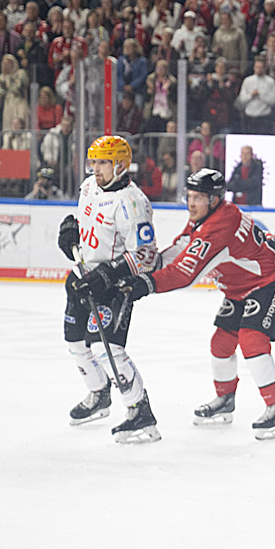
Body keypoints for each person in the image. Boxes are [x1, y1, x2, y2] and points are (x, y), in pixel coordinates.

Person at [79, 169, 275, 440]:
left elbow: (184, 272)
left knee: (251, 340)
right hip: (240, 288)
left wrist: (146, 284)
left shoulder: (219, 225)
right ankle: (225, 400)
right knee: (220, 343)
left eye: (198, 197)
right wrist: (141, 269)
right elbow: (180, 249)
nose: (191, 203)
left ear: (215, 199)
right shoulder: (205, 218)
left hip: (271, 281)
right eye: (189, 196)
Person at [57, 136, 161, 444]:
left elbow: (146, 255)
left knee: (106, 349)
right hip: (82, 276)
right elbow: (84, 221)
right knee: (76, 342)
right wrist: (70, 233)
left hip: (114, 286)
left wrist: (109, 272)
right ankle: (99, 393)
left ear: (120, 164)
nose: (96, 169)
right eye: (94, 162)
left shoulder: (133, 202)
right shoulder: (89, 186)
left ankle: (140, 411)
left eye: (103, 162)